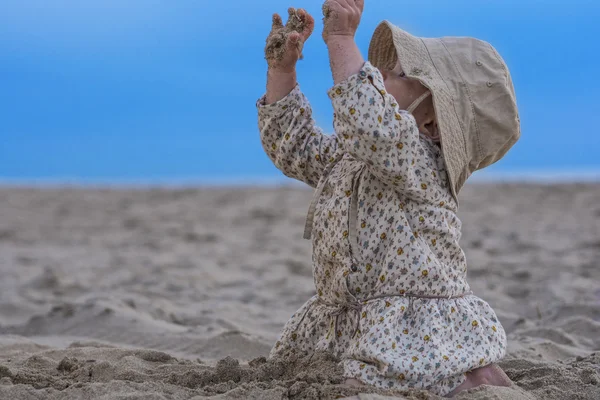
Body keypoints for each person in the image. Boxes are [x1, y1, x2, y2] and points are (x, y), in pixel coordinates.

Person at [256, 0, 520, 397]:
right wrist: (282, 71)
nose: (375, 77)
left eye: (395, 73)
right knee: (323, 370)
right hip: (351, 313)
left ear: (432, 122)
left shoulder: (415, 156)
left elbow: (368, 121)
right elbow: (295, 147)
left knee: (382, 378)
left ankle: (469, 375)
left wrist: (342, 38)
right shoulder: (357, 154)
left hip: (411, 319)